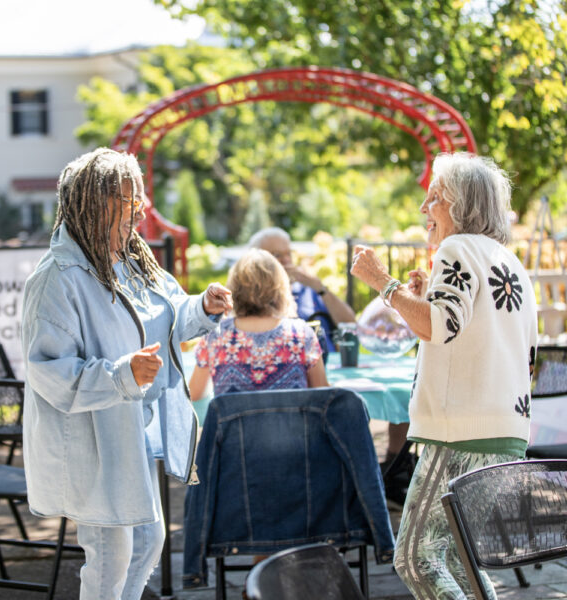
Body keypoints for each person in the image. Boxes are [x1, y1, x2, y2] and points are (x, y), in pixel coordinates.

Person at [20, 147, 232, 600]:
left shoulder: (132, 261)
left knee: (147, 542)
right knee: (110, 554)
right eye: (127, 198)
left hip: (127, 432)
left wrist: (202, 308)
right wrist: (121, 375)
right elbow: (48, 371)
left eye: (139, 196)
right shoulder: (58, 277)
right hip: (88, 439)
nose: (140, 209)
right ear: (95, 202)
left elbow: (169, 314)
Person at [350, 152, 537, 600]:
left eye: (434, 197)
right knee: (457, 561)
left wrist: (383, 282)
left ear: (461, 205)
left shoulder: (456, 249)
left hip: (460, 432)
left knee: (414, 558)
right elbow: (464, 331)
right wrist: (420, 298)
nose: (424, 209)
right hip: (505, 434)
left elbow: (439, 326)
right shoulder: (510, 263)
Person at [188, 248, 328, 402]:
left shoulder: (215, 335)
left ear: (234, 289)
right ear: (280, 287)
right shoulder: (302, 334)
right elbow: (323, 395)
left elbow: (194, 394)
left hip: (233, 426)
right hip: (291, 426)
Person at [248, 227, 356, 352]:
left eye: (288, 253)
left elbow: (350, 324)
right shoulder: (250, 298)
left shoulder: (310, 290)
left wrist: (320, 288)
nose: (286, 260)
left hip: (326, 366)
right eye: (277, 255)